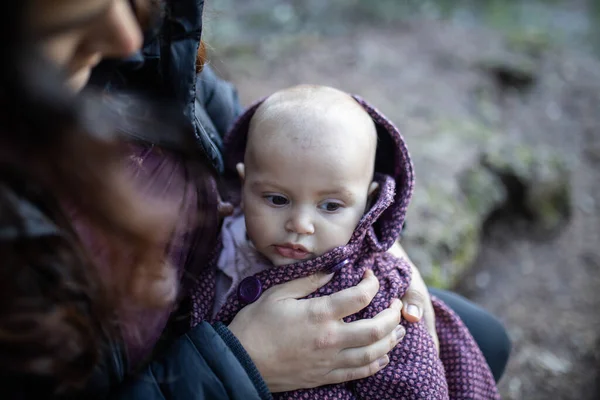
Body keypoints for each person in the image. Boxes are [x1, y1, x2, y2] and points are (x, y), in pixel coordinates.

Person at [0, 0, 509, 398]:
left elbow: (252, 129)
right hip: (197, 363)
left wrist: (373, 236)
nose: (126, 36)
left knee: (480, 336)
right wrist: (238, 368)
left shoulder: (136, 44)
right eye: (67, 25)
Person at [191, 84, 499, 399]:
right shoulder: (215, 242)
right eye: (277, 198)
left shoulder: (370, 293)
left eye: (330, 206)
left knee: (491, 337)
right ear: (244, 185)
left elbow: (415, 386)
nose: (300, 224)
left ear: (368, 205)